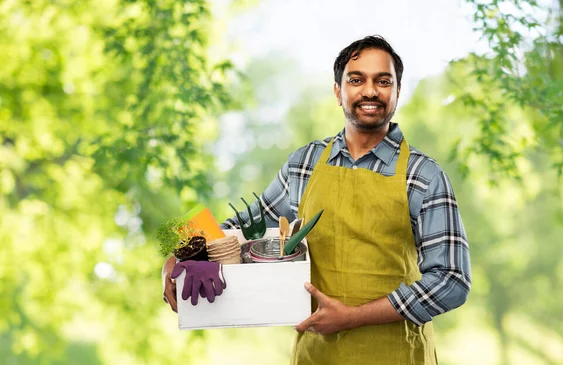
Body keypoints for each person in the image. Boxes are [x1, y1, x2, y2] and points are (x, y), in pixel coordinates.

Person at [163, 35, 471, 364]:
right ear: (338, 91)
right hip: (316, 355)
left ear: (397, 92)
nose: (370, 91)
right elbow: (243, 225)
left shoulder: (423, 175)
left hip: (396, 353)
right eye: (356, 80)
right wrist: (178, 252)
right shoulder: (304, 164)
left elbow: (452, 280)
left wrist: (353, 316)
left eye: (383, 81)